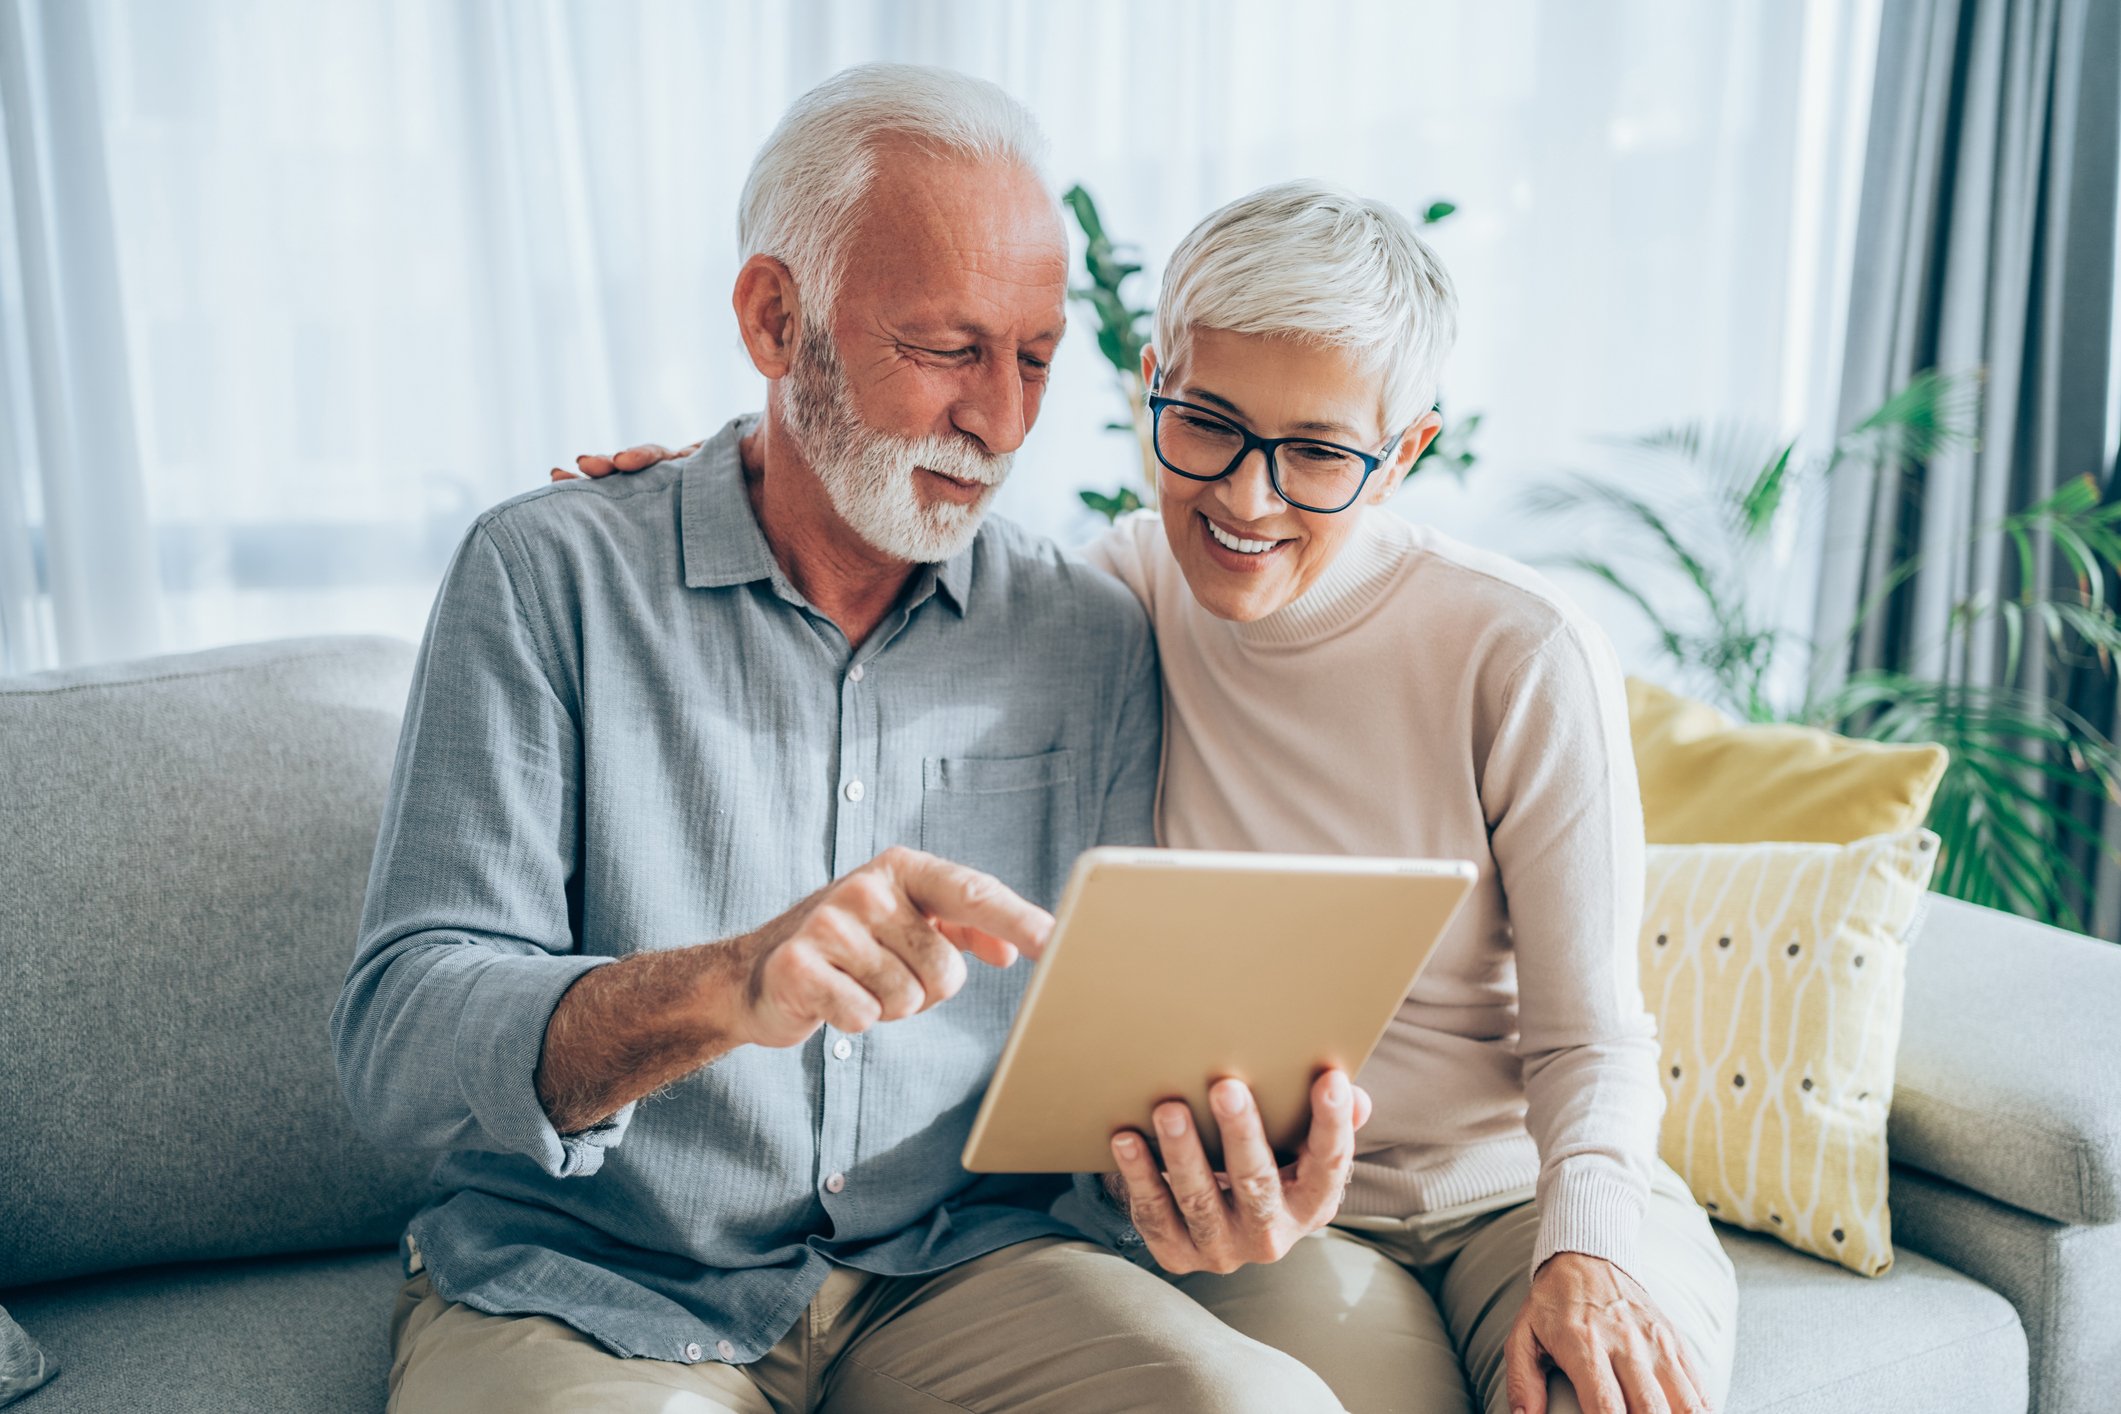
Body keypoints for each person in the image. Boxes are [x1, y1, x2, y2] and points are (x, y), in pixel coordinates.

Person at [573, 180, 1740, 1413]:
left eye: (1319, 455)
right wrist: (721, 485)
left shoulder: (1520, 649)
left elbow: (1591, 1036)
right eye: (1210, 425)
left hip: (1524, 1186)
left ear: (1403, 457)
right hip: (1266, 1208)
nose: (1247, 497)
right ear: (1150, 390)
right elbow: (880, 546)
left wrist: (1588, 1246)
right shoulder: (1112, 600)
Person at [335, 64, 1361, 1414]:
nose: (998, 420)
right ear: (775, 317)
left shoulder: (1092, 632)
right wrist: (728, 984)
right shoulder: (547, 577)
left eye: (1036, 357)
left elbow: (1096, 1064)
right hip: (597, 1285)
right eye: (947, 348)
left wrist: (1202, 1178)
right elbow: (400, 1034)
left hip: (955, 1273)